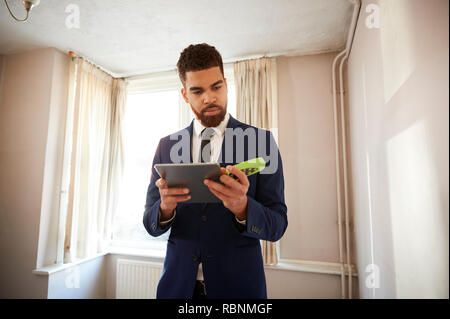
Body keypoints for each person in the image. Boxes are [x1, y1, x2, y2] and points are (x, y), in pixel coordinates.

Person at [143, 43, 287, 299]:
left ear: (226, 83)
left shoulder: (262, 143)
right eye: (197, 91)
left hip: (239, 291)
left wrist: (243, 207)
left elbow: (277, 226)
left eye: (216, 87)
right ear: (185, 95)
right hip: (178, 289)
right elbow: (150, 223)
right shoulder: (166, 146)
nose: (209, 98)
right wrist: (165, 209)